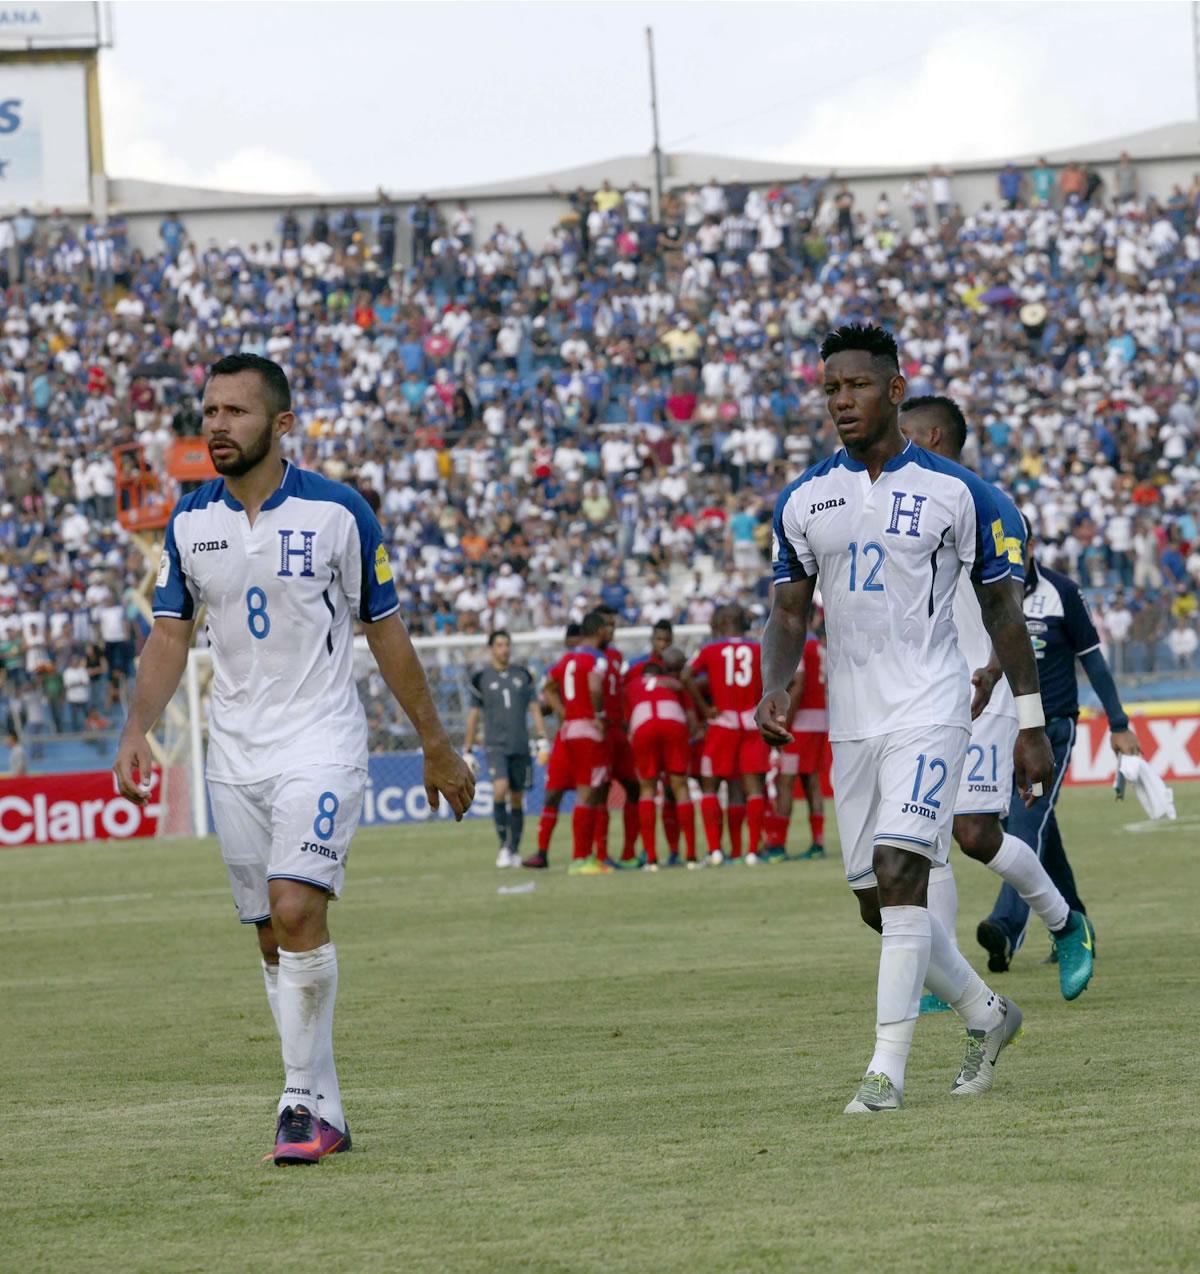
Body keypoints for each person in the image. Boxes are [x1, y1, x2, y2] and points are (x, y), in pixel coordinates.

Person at [113, 353, 474, 1166]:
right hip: (234, 753)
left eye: (235, 412)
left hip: (320, 741)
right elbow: (170, 634)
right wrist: (138, 727)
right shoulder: (189, 521)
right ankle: (325, 1109)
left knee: (296, 907)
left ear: (281, 425)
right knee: (274, 939)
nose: (217, 425)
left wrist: (435, 743)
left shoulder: (339, 512)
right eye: (210, 410)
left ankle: (297, 1101)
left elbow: (386, 630)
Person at [757, 323, 1054, 1115]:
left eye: (856, 385)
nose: (841, 401)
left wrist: (1030, 725)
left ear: (893, 390)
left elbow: (1004, 611)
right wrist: (775, 685)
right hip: (854, 721)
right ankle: (986, 1012)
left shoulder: (959, 493)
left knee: (899, 872)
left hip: (931, 706)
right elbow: (787, 613)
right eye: (830, 389)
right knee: (876, 900)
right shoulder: (804, 499)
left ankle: (884, 1074)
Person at [899, 396, 1097, 1003]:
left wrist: (991, 672)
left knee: (975, 833)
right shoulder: (896, 507)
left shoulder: (988, 504)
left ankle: (1066, 923)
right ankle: (946, 976)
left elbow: (1009, 607)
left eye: (903, 434)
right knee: (922, 839)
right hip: (922, 695)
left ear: (933, 436)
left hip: (984, 691)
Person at [976, 516, 1140, 966]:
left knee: (1026, 822)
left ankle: (1005, 928)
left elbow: (1094, 661)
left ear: (1029, 545)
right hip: (1002, 730)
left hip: (1050, 733)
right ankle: (1075, 922)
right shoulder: (984, 592)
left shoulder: (1062, 592)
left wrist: (1118, 723)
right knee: (1040, 830)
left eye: (1016, 544)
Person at [683, 604, 770, 865]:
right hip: (751, 723)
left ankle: (715, 851)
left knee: (710, 784)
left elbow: (686, 676)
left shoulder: (710, 649)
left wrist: (704, 708)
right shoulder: (758, 648)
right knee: (751, 788)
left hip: (722, 723)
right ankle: (750, 851)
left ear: (722, 623)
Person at [463, 629, 548, 868]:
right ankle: (503, 846)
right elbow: (473, 716)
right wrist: (467, 749)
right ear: (491, 649)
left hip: (520, 744)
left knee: (518, 798)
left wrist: (542, 737)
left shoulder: (523, 675)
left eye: (507, 645)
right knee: (500, 790)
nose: (504, 649)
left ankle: (514, 849)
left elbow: (534, 708)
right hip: (495, 746)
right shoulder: (481, 678)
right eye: (499, 645)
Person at [538, 612, 611, 874]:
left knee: (576, 792)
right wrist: (598, 714)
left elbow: (548, 687)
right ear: (599, 631)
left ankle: (581, 856)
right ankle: (581, 858)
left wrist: (563, 712)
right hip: (587, 730)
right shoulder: (596, 657)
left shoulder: (567, 659)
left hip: (568, 729)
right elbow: (594, 685)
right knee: (587, 793)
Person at [625, 646, 695, 870]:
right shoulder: (673, 684)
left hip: (644, 725)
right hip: (673, 724)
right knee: (680, 787)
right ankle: (691, 856)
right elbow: (691, 718)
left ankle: (651, 859)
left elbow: (627, 720)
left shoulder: (632, 685)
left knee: (647, 790)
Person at [765, 613, 827, 862]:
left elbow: (798, 684)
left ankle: (778, 846)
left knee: (786, 782)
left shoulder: (798, 643)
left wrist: (784, 724)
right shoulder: (819, 645)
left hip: (800, 725)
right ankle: (818, 844)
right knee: (812, 781)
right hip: (820, 720)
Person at [522, 622, 581, 869]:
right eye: (574, 642)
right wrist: (552, 707)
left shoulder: (591, 663)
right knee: (553, 794)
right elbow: (546, 703)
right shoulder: (558, 669)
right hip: (565, 740)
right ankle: (542, 852)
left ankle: (586, 853)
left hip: (585, 738)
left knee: (589, 796)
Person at [592, 605, 641, 867]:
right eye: (607, 625)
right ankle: (601, 855)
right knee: (600, 792)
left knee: (634, 786)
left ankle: (629, 853)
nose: (611, 630)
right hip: (599, 731)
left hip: (618, 732)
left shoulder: (616, 656)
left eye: (613, 625)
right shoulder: (589, 656)